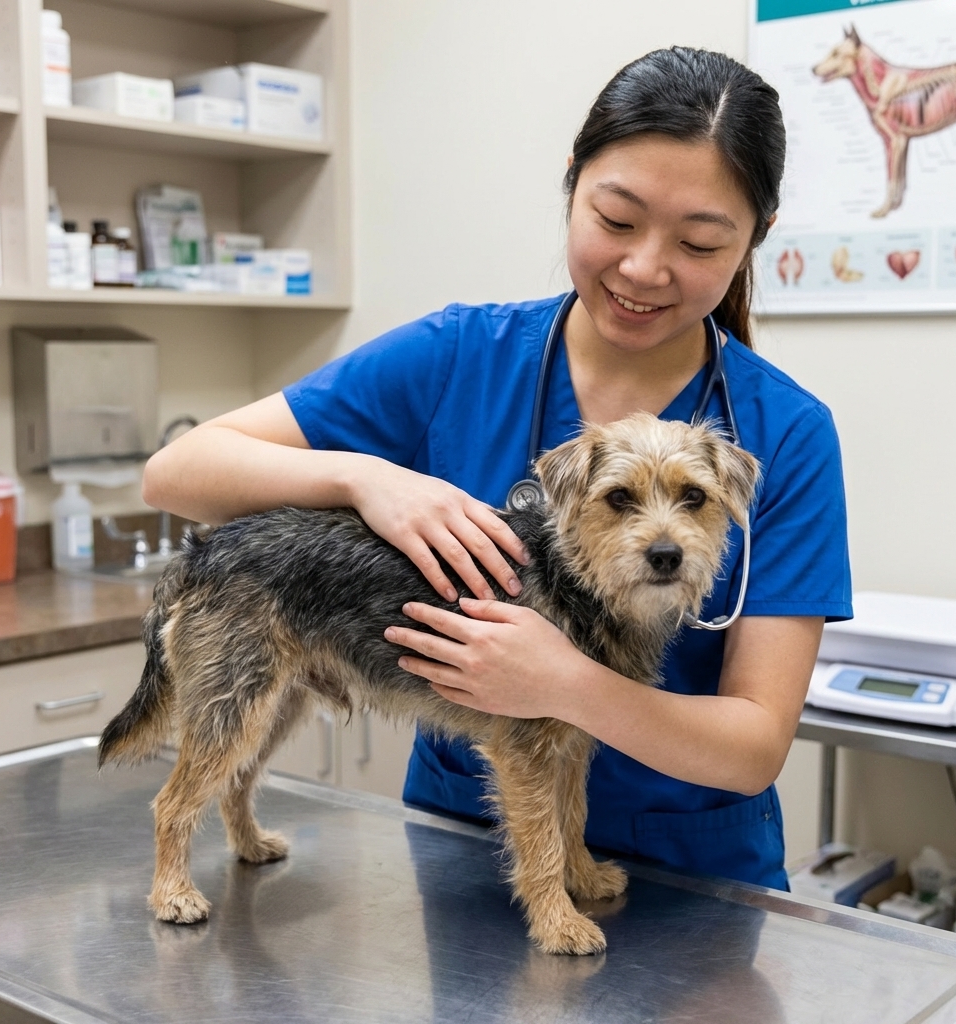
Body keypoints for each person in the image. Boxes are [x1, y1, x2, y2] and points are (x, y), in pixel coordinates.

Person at [144, 47, 851, 892]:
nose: (643, 268)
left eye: (699, 241)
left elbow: (753, 749)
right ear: (572, 185)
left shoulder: (787, 433)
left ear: (754, 240)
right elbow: (178, 472)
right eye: (617, 221)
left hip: (703, 875)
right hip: (468, 857)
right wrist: (363, 478)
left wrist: (566, 684)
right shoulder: (458, 357)